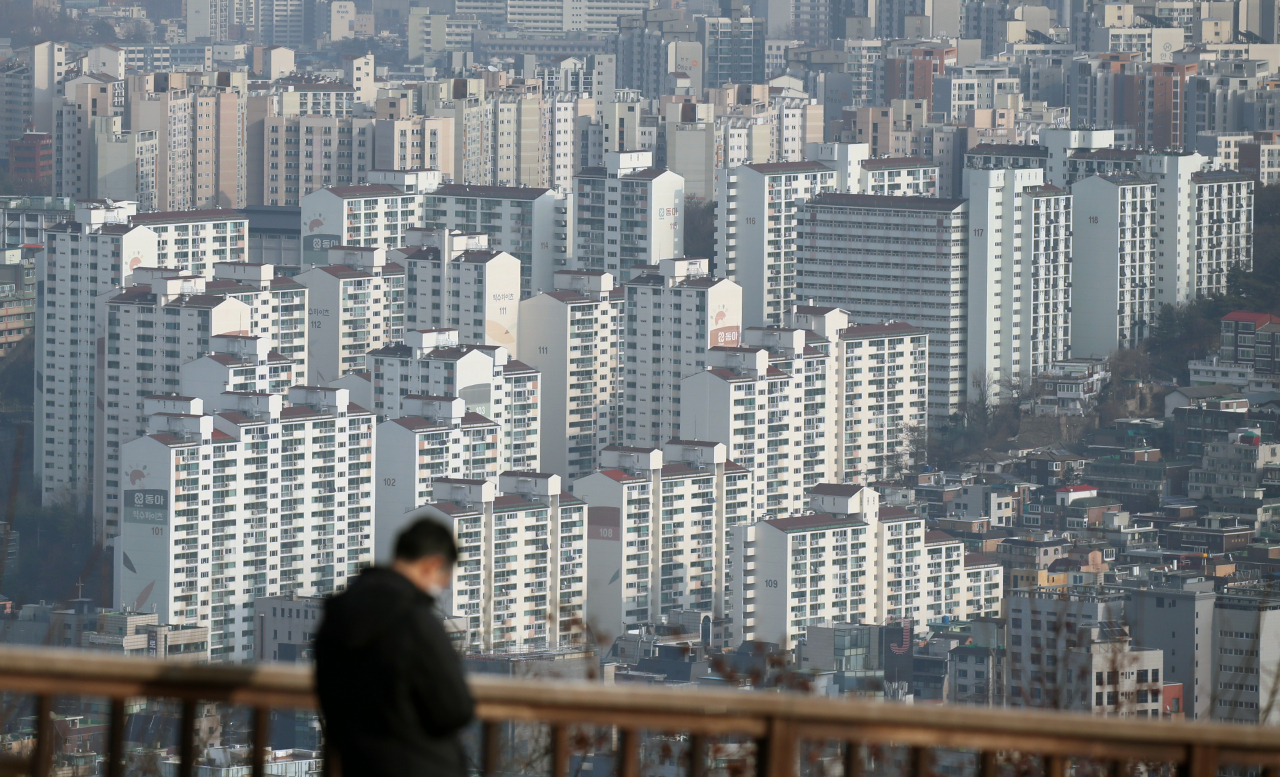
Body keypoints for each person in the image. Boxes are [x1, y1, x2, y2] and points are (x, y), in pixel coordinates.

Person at [314, 517, 475, 777]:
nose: (443, 586)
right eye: (445, 577)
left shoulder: (336, 614)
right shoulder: (415, 621)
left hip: (354, 764)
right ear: (431, 565)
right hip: (421, 765)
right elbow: (455, 708)